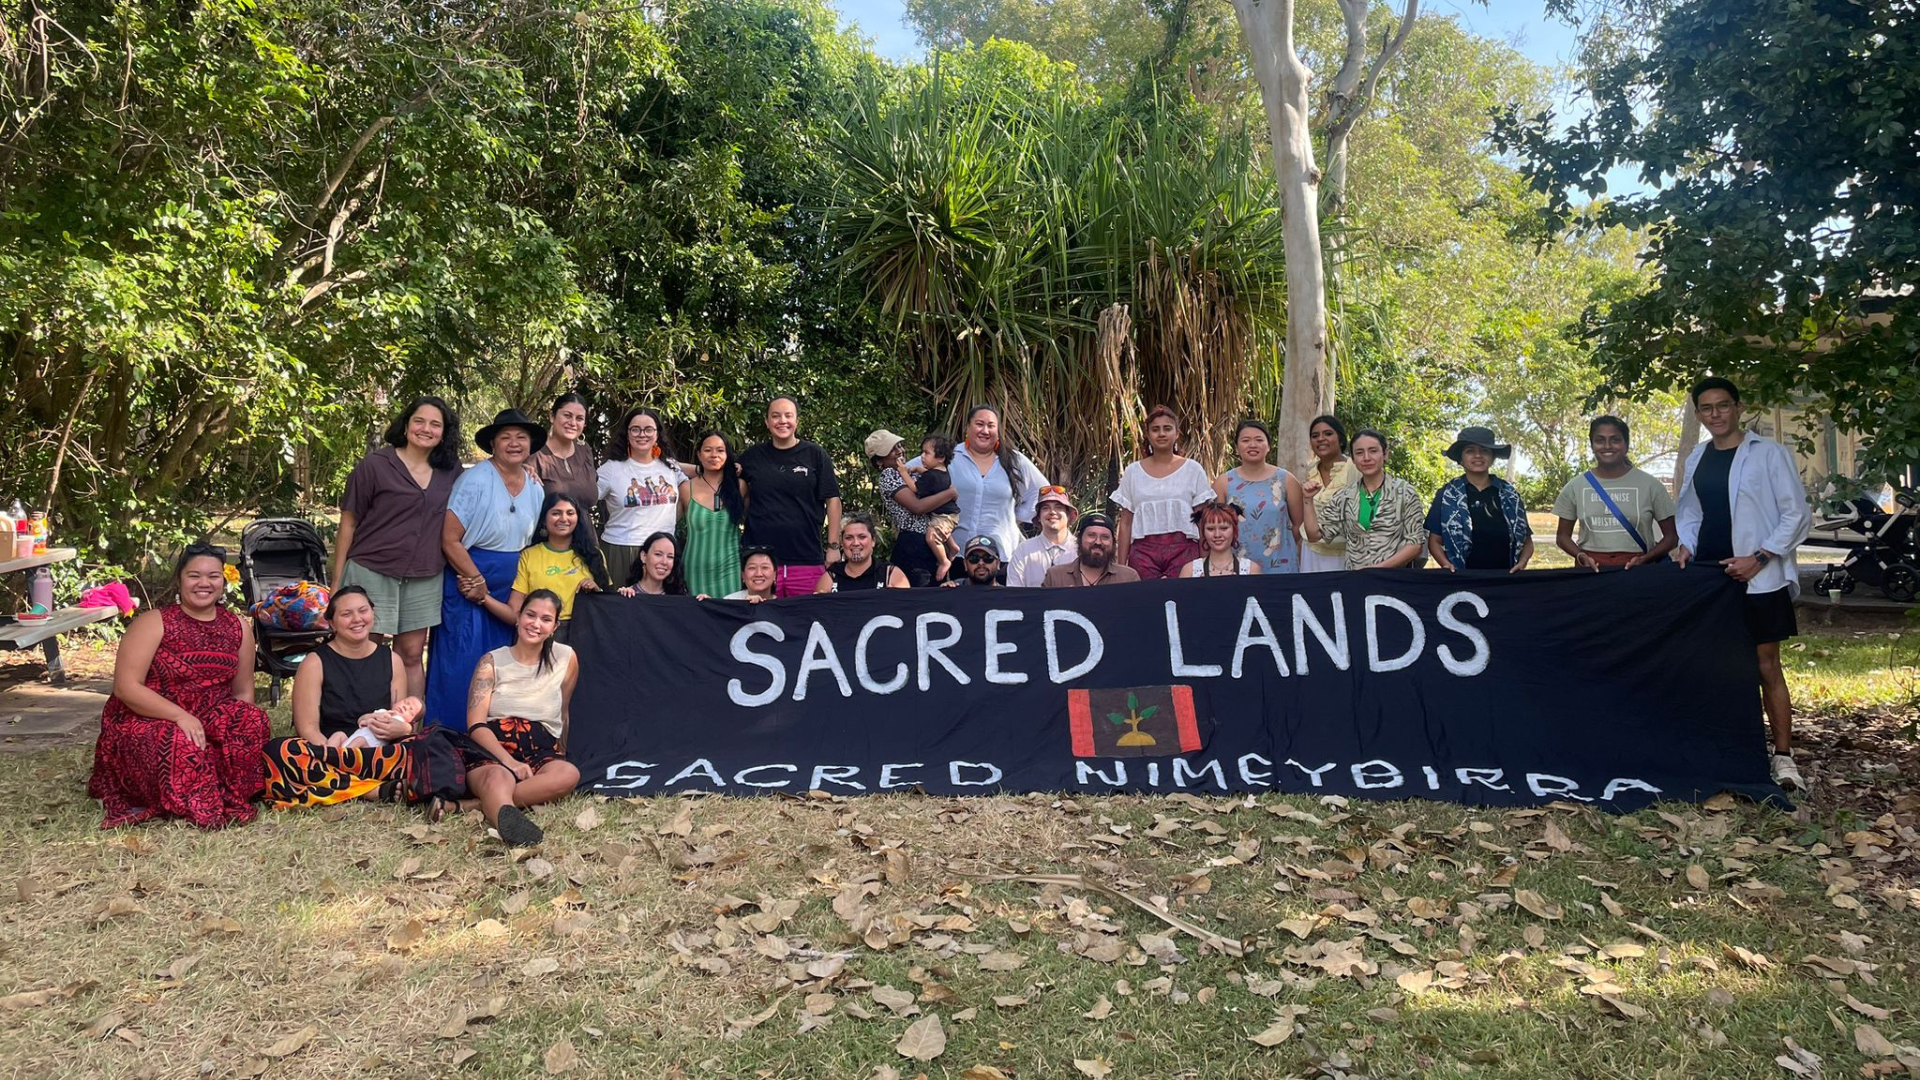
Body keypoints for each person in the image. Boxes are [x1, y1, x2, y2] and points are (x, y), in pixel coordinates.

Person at [1673, 377, 1812, 791]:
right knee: (1713, 666)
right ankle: (1723, 749)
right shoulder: (1698, 457)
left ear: (1738, 407)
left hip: (1758, 577)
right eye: (1707, 409)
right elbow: (1692, 511)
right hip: (1710, 580)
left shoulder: (1767, 454)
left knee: (1766, 666)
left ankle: (1784, 758)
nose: (1715, 415)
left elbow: (1796, 515)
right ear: (1698, 414)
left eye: (1723, 406)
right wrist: (1685, 545)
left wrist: (1761, 557)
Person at [88, 543, 271, 829]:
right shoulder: (153, 623)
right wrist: (180, 716)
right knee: (179, 741)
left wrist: (235, 737)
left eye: (213, 576)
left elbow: (242, 693)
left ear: (224, 581)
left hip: (209, 714)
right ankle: (197, 797)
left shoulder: (238, 627)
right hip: (148, 716)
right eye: (194, 575)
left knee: (252, 720)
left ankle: (228, 790)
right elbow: (126, 687)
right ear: (179, 580)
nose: (204, 583)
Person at [332, 396, 461, 698]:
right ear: (406, 425)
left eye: (435, 424)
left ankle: (409, 732)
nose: (425, 429)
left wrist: (528, 469)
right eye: (419, 421)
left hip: (424, 575)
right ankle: (359, 726)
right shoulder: (376, 464)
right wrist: (337, 581)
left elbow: (489, 482)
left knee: (412, 654)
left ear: (444, 432)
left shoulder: (452, 471)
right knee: (365, 649)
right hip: (371, 570)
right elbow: (348, 522)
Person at [426, 408, 546, 730]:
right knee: (461, 659)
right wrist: (476, 581)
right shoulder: (475, 480)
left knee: (503, 661)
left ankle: (497, 735)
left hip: (511, 583)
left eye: (521, 437)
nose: (514, 443)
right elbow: (449, 539)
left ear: (531, 444)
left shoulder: (536, 487)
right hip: (468, 576)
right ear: (493, 443)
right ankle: (449, 736)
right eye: (505, 437)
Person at [262, 586, 419, 808]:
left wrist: (404, 730)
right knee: (279, 751)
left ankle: (339, 786)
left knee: (422, 746)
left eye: (363, 611)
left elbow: (399, 716)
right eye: (346, 614)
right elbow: (307, 729)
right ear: (332, 624)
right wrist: (335, 756)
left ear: (372, 613)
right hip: (330, 751)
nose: (357, 619)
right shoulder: (315, 662)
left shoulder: (392, 660)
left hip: (376, 755)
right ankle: (373, 790)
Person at [463, 590, 580, 847]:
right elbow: (475, 724)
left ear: (554, 627)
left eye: (546, 619)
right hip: (494, 749)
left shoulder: (566, 657)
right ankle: (509, 824)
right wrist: (510, 762)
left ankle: (477, 804)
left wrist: (562, 749)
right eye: (530, 615)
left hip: (541, 751)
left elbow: (564, 710)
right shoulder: (491, 661)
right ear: (518, 617)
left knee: (568, 774)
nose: (536, 624)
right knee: (498, 777)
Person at [739, 396, 843, 596]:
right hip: (761, 562)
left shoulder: (815, 454)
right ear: (767, 422)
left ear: (797, 421)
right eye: (775, 416)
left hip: (806, 557)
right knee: (759, 621)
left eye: (788, 415)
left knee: (805, 620)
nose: (782, 421)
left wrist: (833, 546)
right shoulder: (752, 457)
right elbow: (727, 483)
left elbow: (833, 500)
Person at [478, 493, 611, 640]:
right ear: (543, 520)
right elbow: (514, 614)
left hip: (586, 634)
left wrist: (597, 590)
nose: (563, 519)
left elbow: (609, 607)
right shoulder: (528, 556)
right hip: (539, 635)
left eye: (570, 513)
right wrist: (483, 597)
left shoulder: (593, 555)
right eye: (556, 513)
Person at [1554, 415, 1679, 570]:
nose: (1607, 446)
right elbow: (1562, 537)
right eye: (1600, 440)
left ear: (1626, 445)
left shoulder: (1651, 486)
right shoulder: (1575, 486)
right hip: (1591, 571)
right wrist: (1580, 556)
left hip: (1637, 570)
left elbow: (1671, 537)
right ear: (1592, 445)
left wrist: (1646, 559)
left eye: (1615, 440)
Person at [1112, 406, 1213, 579]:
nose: (1161, 434)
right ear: (1148, 435)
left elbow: (1202, 521)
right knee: (1146, 602)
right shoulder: (1133, 472)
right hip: (1143, 553)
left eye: (1167, 428)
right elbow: (1126, 523)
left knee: (1183, 601)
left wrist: (1206, 562)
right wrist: (1122, 568)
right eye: (1155, 429)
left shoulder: (1193, 470)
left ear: (1177, 433)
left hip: (1184, 549)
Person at [1303, 429, 1426, 570]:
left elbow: (1415, 544)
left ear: (1385, 454)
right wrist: (1307, 500)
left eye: (1373, 451)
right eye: (1359, 453)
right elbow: (1315, 536)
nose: (1366, 458)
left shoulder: (1404, 492)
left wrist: (1376, 570)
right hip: (1356, 582)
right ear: (1353, 460)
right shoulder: (1344, 496)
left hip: (1394, 582)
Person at [596, 406, 685, 590]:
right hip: (621, 549)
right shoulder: (611, 469)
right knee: (620, 611)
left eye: (648, 429)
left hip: (662, 551)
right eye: (635, 429)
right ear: (627, 433)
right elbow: (583, 499)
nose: (641, 434)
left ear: (657, 433)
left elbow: (689, 496)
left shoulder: (670, 467)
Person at [1425, 426, 1535, 573]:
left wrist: (1522, 562)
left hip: (1506, 579)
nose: (1478, 455)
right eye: (1470, 451)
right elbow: (1434, 541)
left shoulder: (1510, 495)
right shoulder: (1447, 495)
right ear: (1461, 458)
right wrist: (1446, 565)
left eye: (1484, 450)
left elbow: (1527, 541)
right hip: (1462, 579)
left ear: (1492, 457)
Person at [949, 405, 1047, 563]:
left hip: (1001, 555)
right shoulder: (950, 457)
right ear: (967, 426)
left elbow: (1043, 491)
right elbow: (910, 473)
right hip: (957, 555)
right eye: (979, 424)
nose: (985, 431)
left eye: (991, 426)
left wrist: (1016, 518)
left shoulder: (1014, 460)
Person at [1214, 419, 1303, 574]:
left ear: (1268, 446)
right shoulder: (1224, 483)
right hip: (1237, 569)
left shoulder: (1286, 480)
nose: (1252, 445)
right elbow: (1214, 527)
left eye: (1259, 440)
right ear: (1237, 447)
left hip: (1281, 567)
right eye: (1245, 440)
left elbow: (1299, 526)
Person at [869, 429, 953, 587]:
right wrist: (950, 493)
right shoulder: (889, 475)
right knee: (918, 596)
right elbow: (918, 507)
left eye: (899, 445)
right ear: (879, 461)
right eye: (892, 449)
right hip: (913, 543)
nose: (900, 450)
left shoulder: (908, 472)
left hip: (931, 540)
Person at [681, 431, 746, 599]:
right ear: (699, 455)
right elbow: (665, 524)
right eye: (708, 450)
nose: (714, 455)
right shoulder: (686, 488)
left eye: (720, 450)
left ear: (728, 455)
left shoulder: (740, 486)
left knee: (730, 620)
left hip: (730, 568)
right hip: (694, 568)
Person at [1298, 415, 1358, 573]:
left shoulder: (1355, 469)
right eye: (1315, 436)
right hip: (1311, 552)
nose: (1321, 439)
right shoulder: (1310, 471)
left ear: (1341, 438)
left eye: (1328, 434)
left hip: (1346, 554)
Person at [530, 393, 601, 517]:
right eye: (567, 416)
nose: (573, 423)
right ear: (552, 417)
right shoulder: (534, 452)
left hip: (585, 534)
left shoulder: (585, 450)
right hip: (546, 534)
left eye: (579, 418)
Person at [1043, 513, 1143, 588]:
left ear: (1113, 542)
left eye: (1105, 537)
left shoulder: (1128, 578)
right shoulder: (1055, 577)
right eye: (1091, 535)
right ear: (1079, 538)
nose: (1098, 542)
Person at [1007, 486, 1078, 587]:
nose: (1052, 512)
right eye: (1046, 508)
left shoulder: (1081, 549)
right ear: (1039, 517)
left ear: (1068, 515)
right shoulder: (1023, 551)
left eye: (1058, 507)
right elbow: (1013, 592)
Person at [816, 514, 909, 591]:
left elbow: (906, 609)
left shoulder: (891, 575)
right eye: (849, 538)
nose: (856, 543)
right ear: (842, 543)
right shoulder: (831, 577)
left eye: (862, 537)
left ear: (873, 541)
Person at [914, 434, 962, 582]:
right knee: (940, 528)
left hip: (944, 515)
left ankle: (943, 561)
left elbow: (915, 489)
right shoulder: (941, 471)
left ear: (940, 458)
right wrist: (917, 469)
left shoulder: (933, 476)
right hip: (948, 514)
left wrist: (904, 472)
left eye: (926, 453)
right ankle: (953, 546)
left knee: (932, 536)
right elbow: (928, 475)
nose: (922, 456)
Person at [1179, 500, 1262, 577]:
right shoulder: (1189, 571)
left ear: (1234, 530)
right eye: (1211, 529)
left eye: (1224, 528)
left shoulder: (1251, 570)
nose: (1217, 535)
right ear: (1203, 532)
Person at [620, 531, 688, 596]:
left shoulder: (678, 595)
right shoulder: (629, 594)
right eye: (658, 554)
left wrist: (698, 601)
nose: (664, 562)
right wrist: (622, 597)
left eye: (670, 557)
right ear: (643, 556)